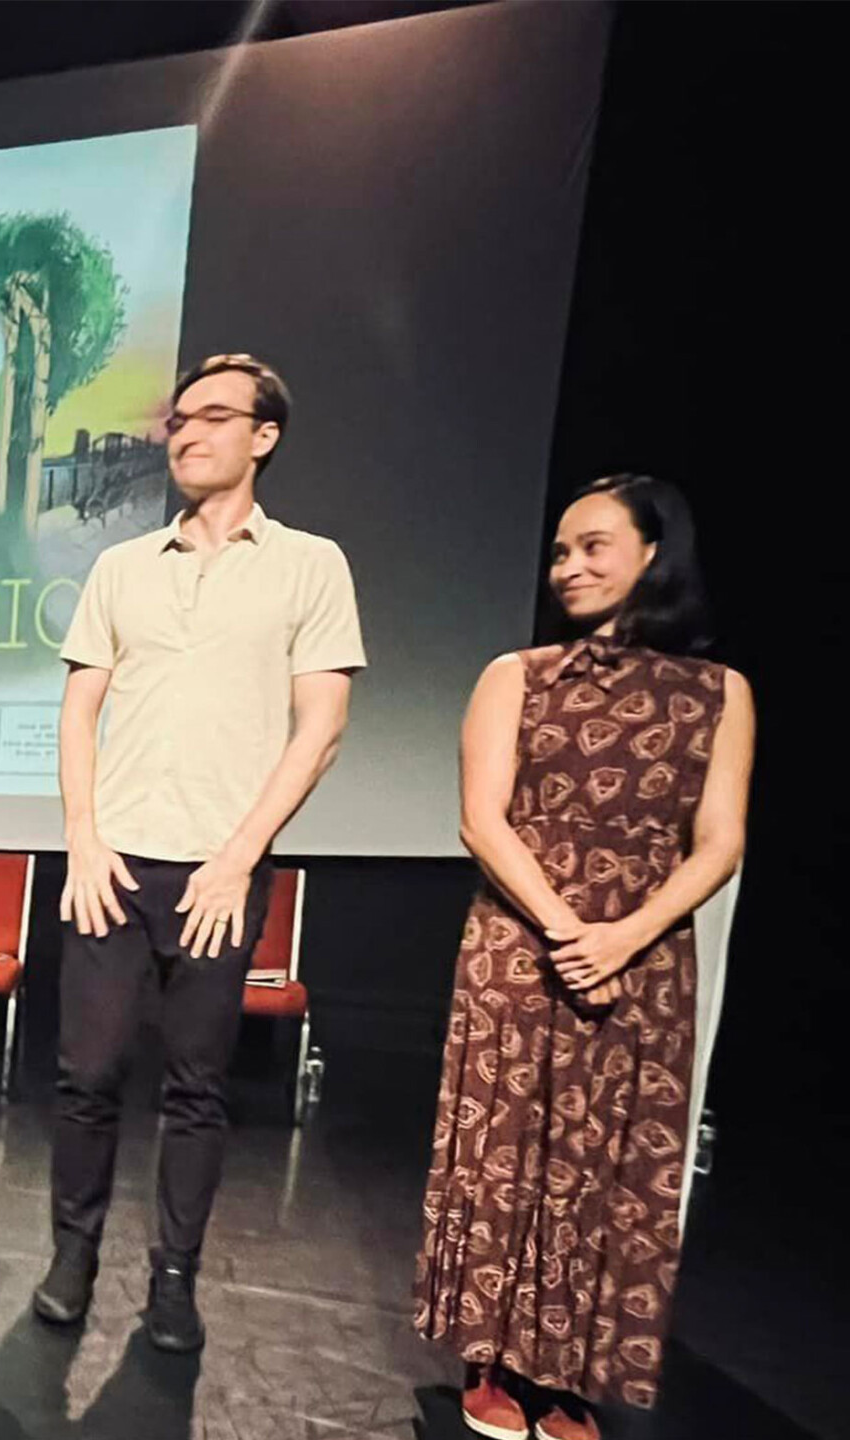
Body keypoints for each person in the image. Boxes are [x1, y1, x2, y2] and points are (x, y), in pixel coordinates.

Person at [39, 354, 366, 1352]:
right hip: (116, 863)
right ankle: (72, 1253)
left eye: (211, 417)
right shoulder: (121, 567)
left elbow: (320, 725)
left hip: (218, 870)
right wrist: (82, 837)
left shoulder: (311, 564)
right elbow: (80, 707)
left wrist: (240, 855)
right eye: (176, 419)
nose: (184, 434)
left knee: (194, 1085)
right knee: (86, 1074)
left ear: (262, 436)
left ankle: (172, 1280)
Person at [416, 475, 752, 1440]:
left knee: (606, 1163)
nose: (568, 566)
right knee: (508, 1149)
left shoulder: (720, 694)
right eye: (560, 550)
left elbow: (720, 842)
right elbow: (484, 820)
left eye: (593, 546)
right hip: (522, 942)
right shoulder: (515, 676)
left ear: (654, 554)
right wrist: (570, 928)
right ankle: (493, 1361)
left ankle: (572, 1376)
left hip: (645, 952)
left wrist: (622, 936)